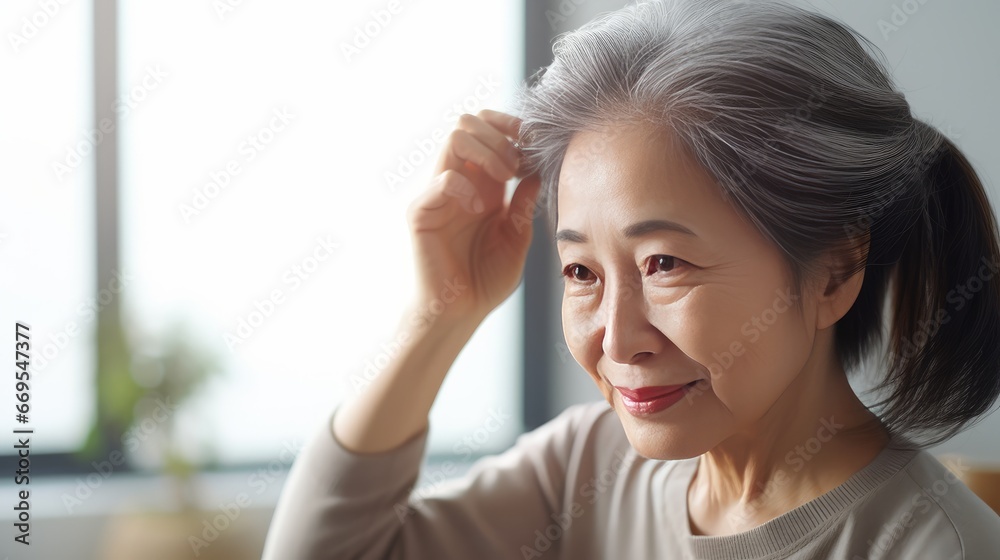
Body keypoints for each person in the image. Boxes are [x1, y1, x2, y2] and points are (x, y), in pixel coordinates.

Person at [261, 0, 1000, 557]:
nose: (617, 341)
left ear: (834, 270)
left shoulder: (935, 545)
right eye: (581, 271)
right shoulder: (587, 468)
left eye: (664, 264)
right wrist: (440, 315)